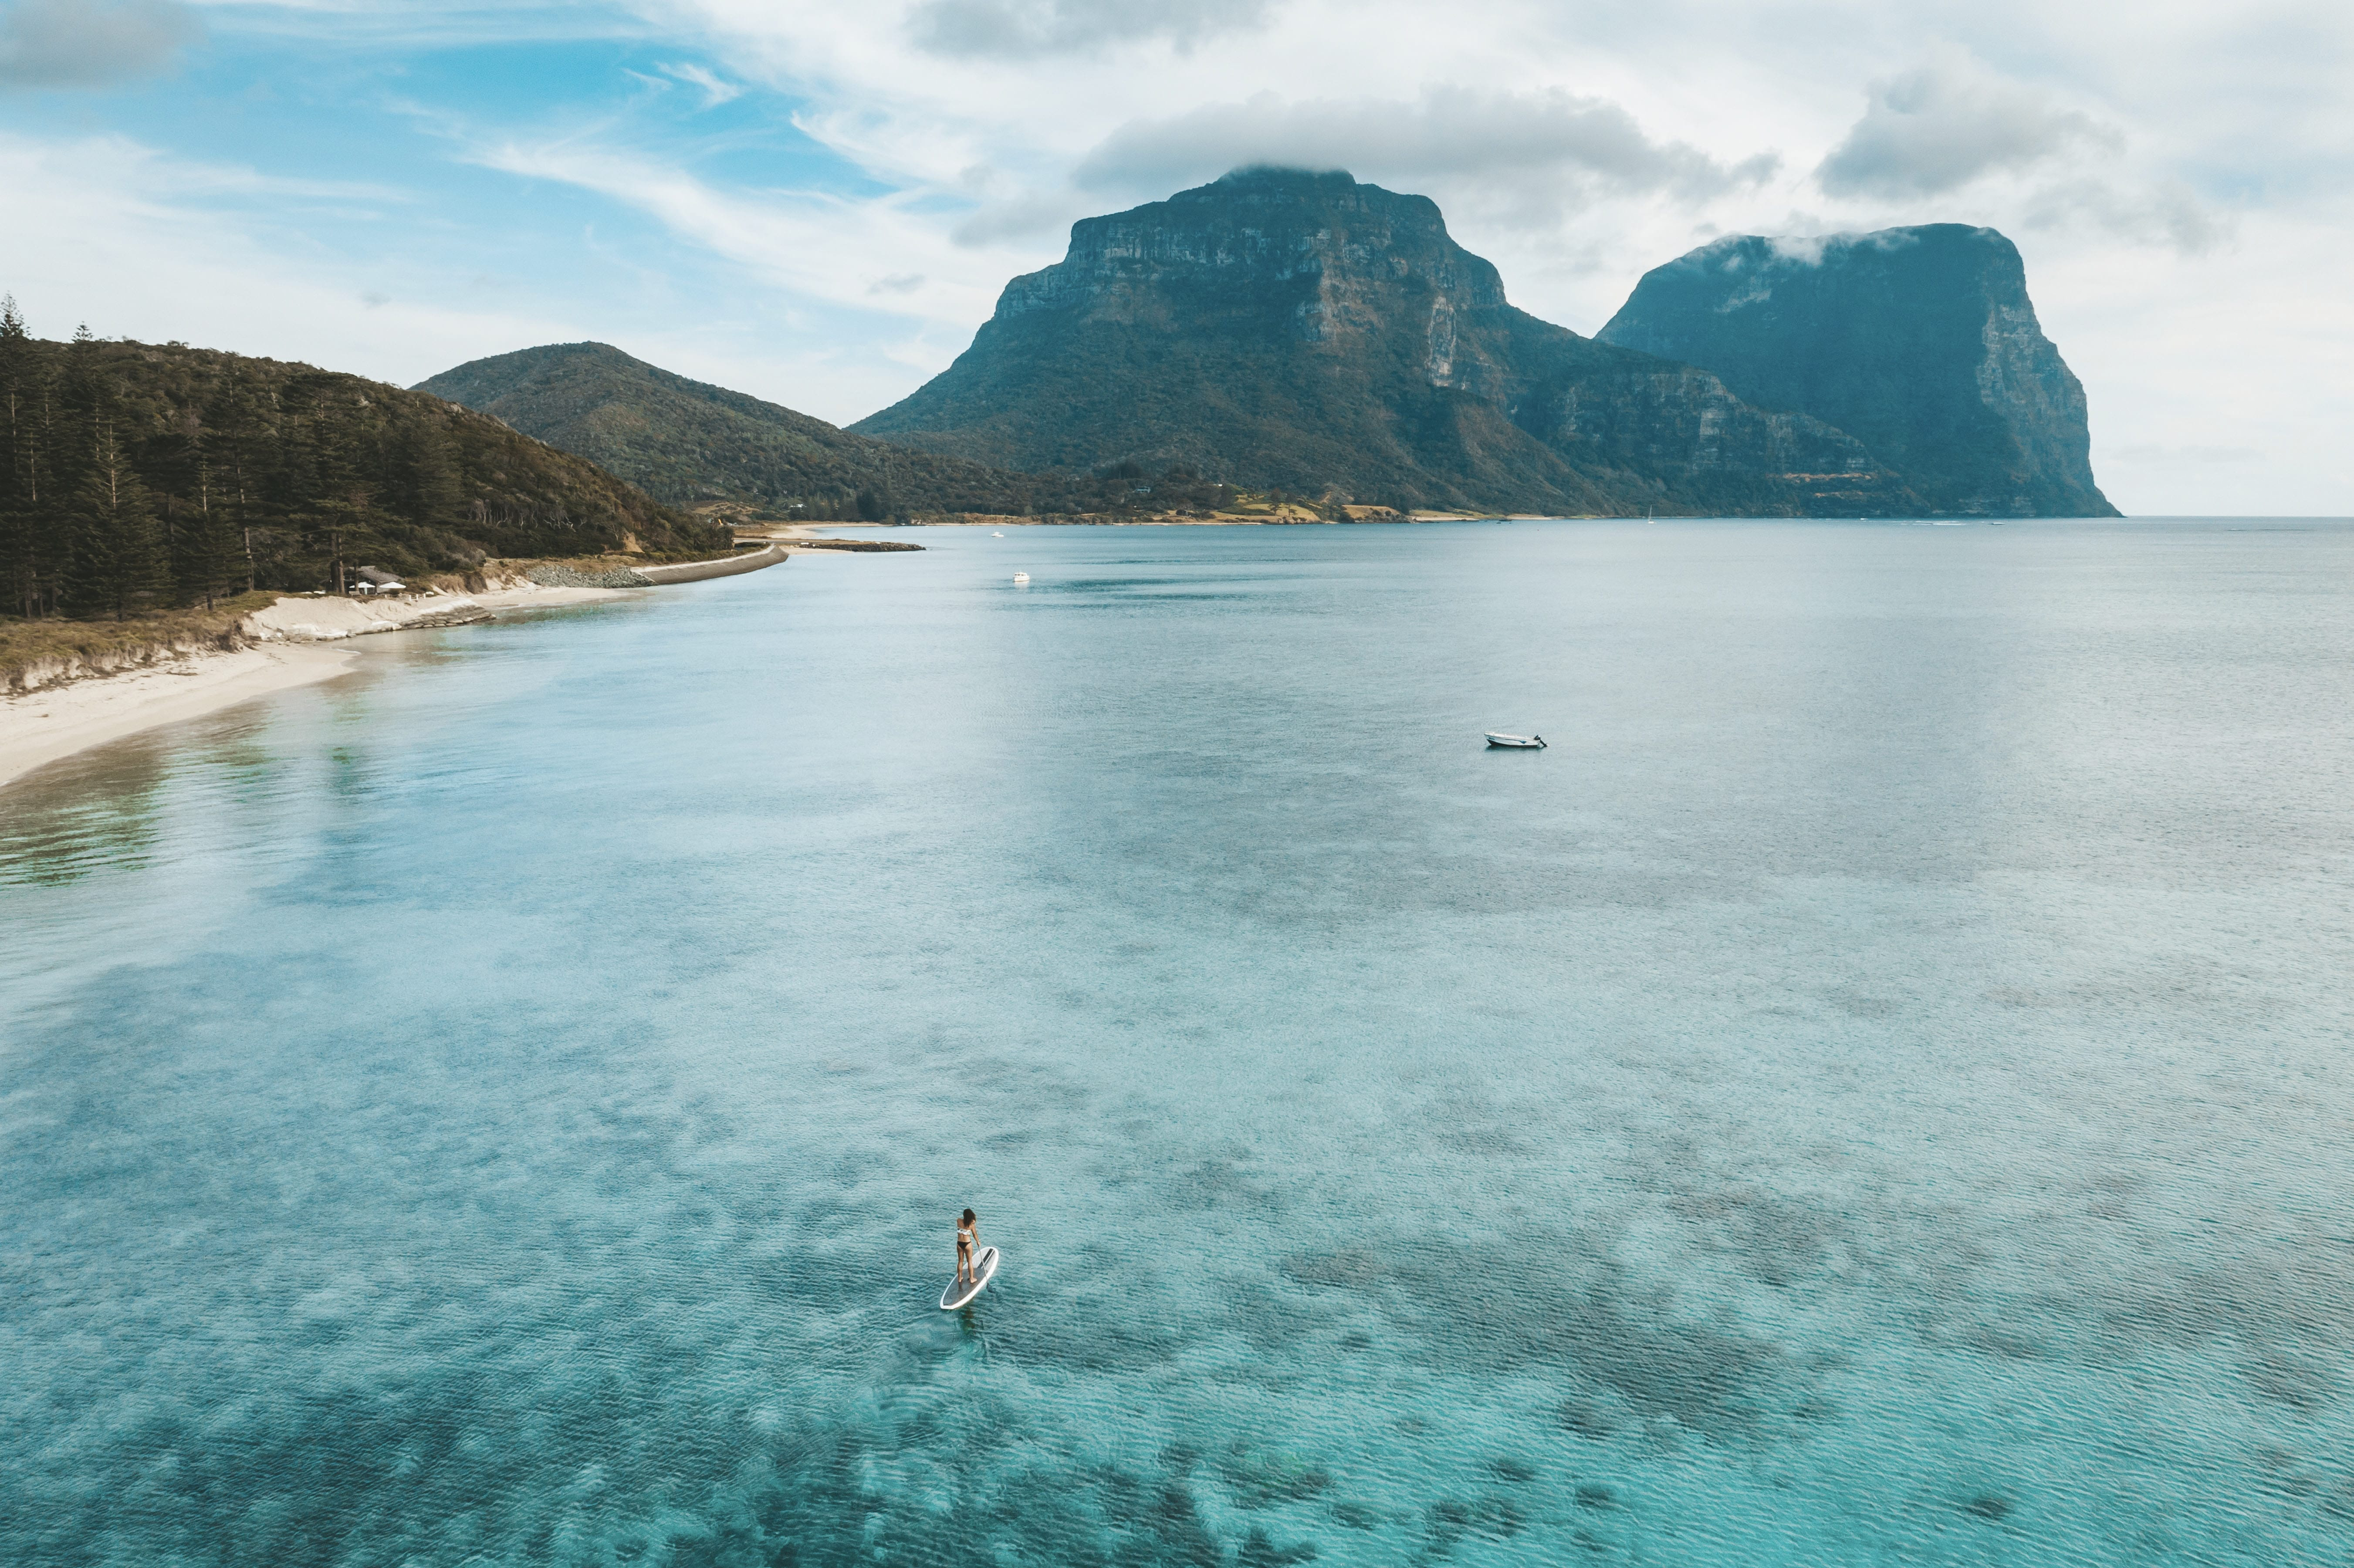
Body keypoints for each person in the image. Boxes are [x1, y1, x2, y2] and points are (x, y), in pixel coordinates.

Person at [956, 1208, 979, 1287]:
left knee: (960, 1261)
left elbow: (962, 1223)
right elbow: (975, 1235)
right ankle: (972, 1279)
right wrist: (978, 1242)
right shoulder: (972, 1225)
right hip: (967, 1244)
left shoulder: (959, 1221)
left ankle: (959, 1278)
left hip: (959, 1244)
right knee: (970, 1261)